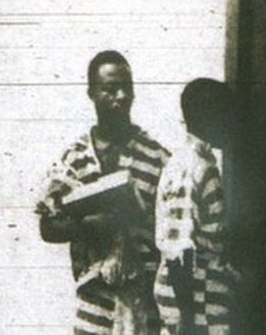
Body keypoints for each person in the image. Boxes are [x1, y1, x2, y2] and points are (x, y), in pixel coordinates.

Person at [36, 50, 170, 334]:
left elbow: (172, 228)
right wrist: (88, 225)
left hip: (144, 301)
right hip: (93, 297)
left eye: (127, 88)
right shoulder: (74, 159)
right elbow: (48, 227)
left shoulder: (157, 157)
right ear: (92, 93)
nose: (120, 96)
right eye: (109, 89)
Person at [153, 79, 240, 335]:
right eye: (228, 116)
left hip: (204, 297)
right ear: (210, 118)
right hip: (192, 303)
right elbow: (178, 248)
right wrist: (186, 317)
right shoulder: (190, 167)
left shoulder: (202, 163)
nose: (233, 125)